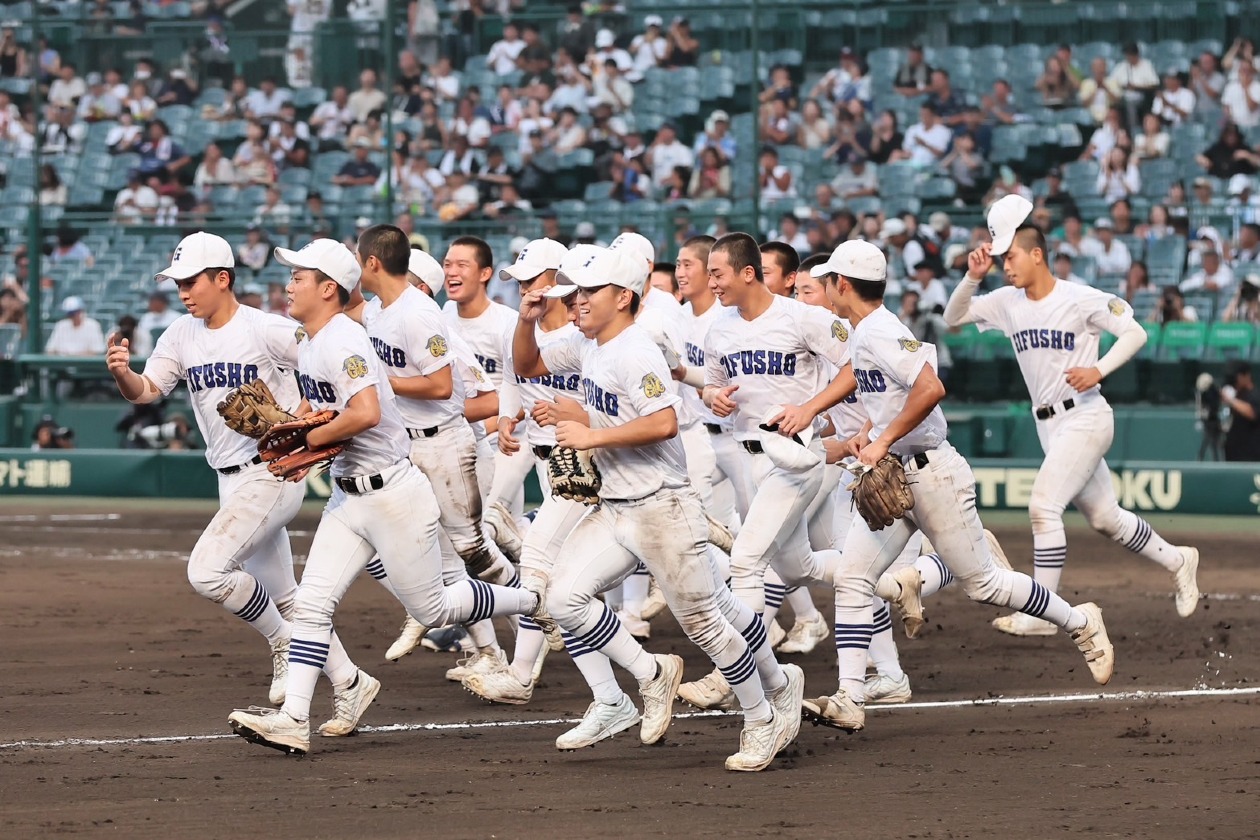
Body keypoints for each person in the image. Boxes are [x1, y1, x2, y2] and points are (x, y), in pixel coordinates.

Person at [227, 237, 545, 755]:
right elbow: (322, 407)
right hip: (348, 496)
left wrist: (308, 438)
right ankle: (296, 717)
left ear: (327, 289)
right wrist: (288, 425)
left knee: (435, 608)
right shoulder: (313, 340)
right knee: (312, 604)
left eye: (299, 277)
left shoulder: (344, 341)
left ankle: (534, 601)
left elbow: (366, 412)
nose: (289, 285)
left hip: (394, 493)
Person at [796, 239, 1117, 733]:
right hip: (899, 469)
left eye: (828, 281)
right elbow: (888, 395)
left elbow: (931, 388)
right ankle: (849, 697)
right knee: (854, 579)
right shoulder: (862, 331)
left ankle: (1080, 621)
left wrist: (883, 439)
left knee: (984, 584)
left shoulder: (880, 330)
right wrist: (869, 432)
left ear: (842, 284)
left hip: (934, 473)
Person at [512, 244, 804, 771]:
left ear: (623, 297)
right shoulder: (589, 344)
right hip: (615, 508)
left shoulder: (635, 350)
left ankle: (763, 716)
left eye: (589, 292)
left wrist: (589, 434)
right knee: (564, 599)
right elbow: (527, 363)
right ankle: (650, 678)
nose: (576, 301)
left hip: (664, 509)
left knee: (707, 623)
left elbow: (664, 422)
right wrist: (526, 320)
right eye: (575, 292)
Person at [106, 232, 373, 743]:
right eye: (178, 283)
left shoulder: (265, 328)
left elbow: (328, 359)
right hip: (230, 479)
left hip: (271, 471)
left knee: (207, 572)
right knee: (288, 598)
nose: (184, 292)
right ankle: (349, 681)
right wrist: (123, 374)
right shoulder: (180, 334)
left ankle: (281, 643)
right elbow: (147, 391)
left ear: (223, 279)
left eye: (192, 282)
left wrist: (300, 419)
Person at [943, 196, 1200, 635]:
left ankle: (1043, 612)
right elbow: (953, 317)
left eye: (1011, 257)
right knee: (1105, 518)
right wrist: (972, 277)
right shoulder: (1007, 301)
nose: (1005, 266)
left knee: (1043, 508)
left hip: (1086, 416)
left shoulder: (1080, 298)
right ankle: (1179, 560)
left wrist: (1098, 369)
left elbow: (1135, 333)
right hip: (1050, 425)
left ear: (1037, 255)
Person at [1221, 361, 1260, 461]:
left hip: (1250, 456)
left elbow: (1253, 413)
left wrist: (1231, 400)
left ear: (1246, 375)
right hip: (1233, 454)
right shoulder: (1236, 395)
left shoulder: (1255, 395)